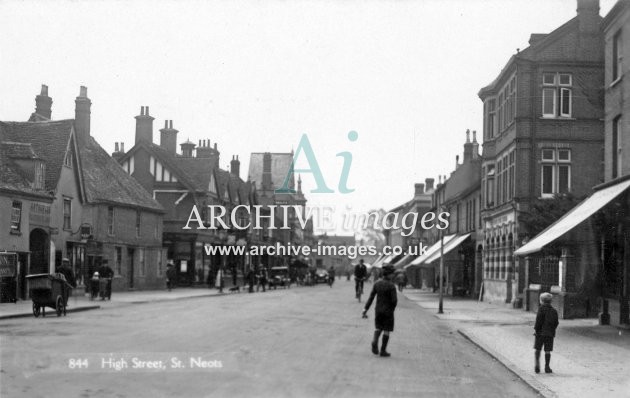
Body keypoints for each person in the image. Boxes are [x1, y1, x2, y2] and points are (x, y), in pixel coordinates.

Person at [362, 265, 397, 357]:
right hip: (388, 311)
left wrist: (365, 309)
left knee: (378, 327)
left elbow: (371, 298)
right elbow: (394, 301)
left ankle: (374, 340)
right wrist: (392, 309)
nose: (393, 275)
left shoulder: (377, 283)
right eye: (392, 274)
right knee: (386, 330)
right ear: (389, 275)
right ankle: (383, 350)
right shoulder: (391, 286)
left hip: (378, 310)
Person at [534, 292, 559, 374]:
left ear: (541, 301)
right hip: (549, 334)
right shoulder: (554, 311)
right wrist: (552, 330)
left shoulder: (540, 309)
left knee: (538, 349)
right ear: (550, 301)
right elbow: (556, 322)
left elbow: (538, 321)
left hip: (540, 333)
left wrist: (536, 329)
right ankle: (547, 367)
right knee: (547, 350)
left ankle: (537, 365)